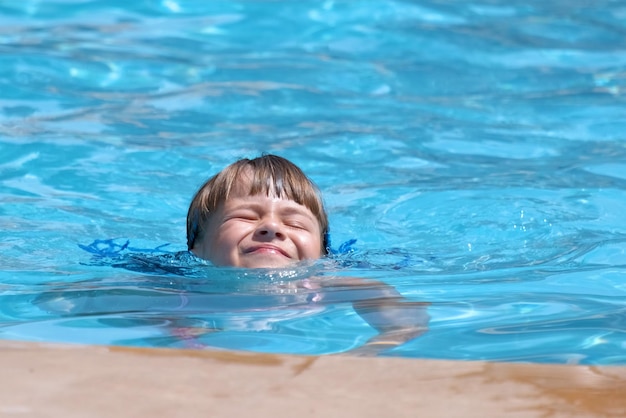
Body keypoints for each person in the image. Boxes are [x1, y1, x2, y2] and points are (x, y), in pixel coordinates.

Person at [186, 154, 429, 355]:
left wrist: (362, 354)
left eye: (295, 223)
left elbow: (408, 323)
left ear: (323, 254)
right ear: (197, 246)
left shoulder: (331, 287)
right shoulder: (181, 291)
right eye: (246, 217)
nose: (272, 227)